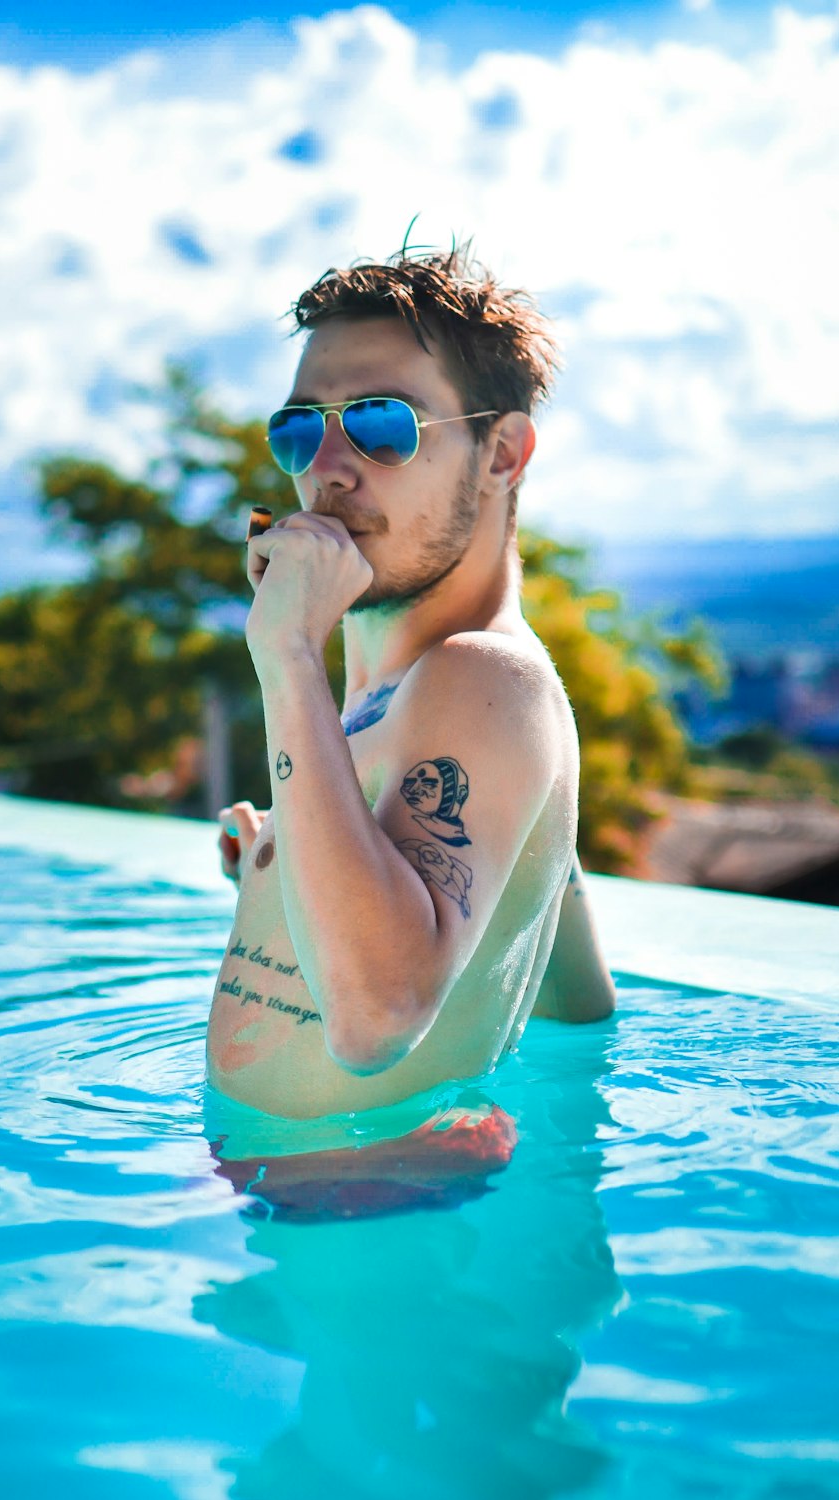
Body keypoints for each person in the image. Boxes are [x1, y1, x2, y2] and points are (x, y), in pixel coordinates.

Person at [206, 244, 615, 1127]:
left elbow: (372, 1021)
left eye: (383, 425)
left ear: (502, 452)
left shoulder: (480, 677)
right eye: (301, 429)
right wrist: (291, 869)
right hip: (337, 1201)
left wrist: (286, 657)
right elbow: (577, 999)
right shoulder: (407, 700)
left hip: (361, 1222)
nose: (329, 467)